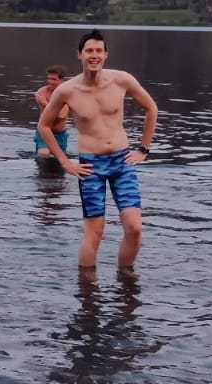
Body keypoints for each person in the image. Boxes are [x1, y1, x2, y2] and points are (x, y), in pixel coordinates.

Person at [37, 30, 159, 268]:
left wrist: (143, 149)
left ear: (106, 55)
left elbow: (151, 109)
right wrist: (64, 162)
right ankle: (88, 292)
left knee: (134, 228)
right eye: (89, 51)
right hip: (90, 166)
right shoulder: (67, 90)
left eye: (98, 51)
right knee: (95, 233)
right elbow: (44, 126)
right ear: (79, 55)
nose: (94, 55)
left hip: (123, 162)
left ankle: (126, 278)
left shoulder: (121, 80)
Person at [33, 65, 72, 162]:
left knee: (60, 160)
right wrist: (44, 104)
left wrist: (44, 103)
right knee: (43, 155)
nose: (50, 81)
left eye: (53, 79)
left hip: (60, 133)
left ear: (61, 80)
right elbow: (45, 114)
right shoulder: (42, 92)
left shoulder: (67, 93)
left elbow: (61, 115)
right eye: (49, 78)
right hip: (45, 131)